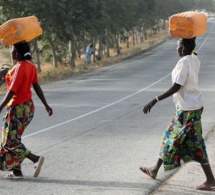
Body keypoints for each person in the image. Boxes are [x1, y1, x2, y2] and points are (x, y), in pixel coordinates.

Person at [139, 38, 215, 191]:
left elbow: (176, 86)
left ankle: (210, 179)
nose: (176, 49)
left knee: (195, 143)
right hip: (188, 107)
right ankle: (154, 169)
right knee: (169, 135)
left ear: (182, 48)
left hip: (189, 110)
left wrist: (155, 100)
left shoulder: (184, 62)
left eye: (178, 46)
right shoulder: (194, 58)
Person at [0, 41, 53, 179]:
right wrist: (46, 105)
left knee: (9, 142)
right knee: (14, 139)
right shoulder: (30, 66)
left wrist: (0, 106)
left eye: (12, 49)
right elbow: (36, 86)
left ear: (16, 53)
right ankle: (17, 172)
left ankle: (35, 158)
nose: (10, 52)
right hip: (28, 107)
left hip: (17, 108)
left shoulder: (19, 67)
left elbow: (12, 91)